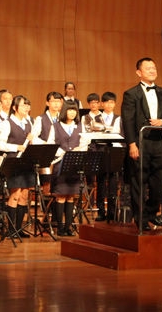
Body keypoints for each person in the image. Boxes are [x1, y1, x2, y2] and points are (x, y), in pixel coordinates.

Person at [122, 57, 162, 230]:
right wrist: (132, 144)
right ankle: (141, 219)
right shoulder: (131, 94)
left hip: (158, 142)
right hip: (140, 142)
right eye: (148, 68)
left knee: (159, 181)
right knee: (138, 181)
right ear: (139, 72)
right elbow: (128, 121)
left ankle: (150, 214)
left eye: (154, 68)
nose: (152, 70)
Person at [0, 95, 34, 234]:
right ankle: (11, 229)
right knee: (15, 194)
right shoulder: (7, 123)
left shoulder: (29, 123)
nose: (26, 108)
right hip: (14, 162)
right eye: (23, 105)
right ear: (15, 107)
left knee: (24, 195)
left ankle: (19, 229)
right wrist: (16, 147)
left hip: (26, 163)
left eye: (28, 105)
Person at [51, 102, 91, 236]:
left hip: (75, 164)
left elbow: (85, 142)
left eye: (74, 110)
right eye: (70, 110)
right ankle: (60, 228)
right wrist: (62, 151)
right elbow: (51, 143)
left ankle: (68, 227)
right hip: (60, 163)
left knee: (71, 197)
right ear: (64, 111)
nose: (73, 113)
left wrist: (78, 150)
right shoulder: (55, 126)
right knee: (61, 196)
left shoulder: (80, 126)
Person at [94, 91, 122, 222]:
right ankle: (101, 211)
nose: (109, 105)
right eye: (107, 102)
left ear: (115, 104)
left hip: (114, 153)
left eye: (112, 102)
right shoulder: (96, 118)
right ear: (102, 104)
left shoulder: (119, 118)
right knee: (100, 183)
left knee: (113, 183)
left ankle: (112, 212)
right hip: (100, 153)